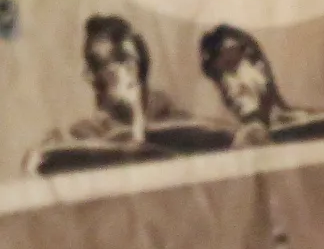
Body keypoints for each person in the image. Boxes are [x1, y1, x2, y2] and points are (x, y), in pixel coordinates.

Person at [26, 16, 232, 174]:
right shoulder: (79, 138)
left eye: (124, 60)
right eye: (103, 63)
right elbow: (36, 164)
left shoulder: (180, 125)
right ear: (89, 75)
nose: (118, 71)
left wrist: (138, 122)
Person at [197, 25, 324, 144]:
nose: (229, 88)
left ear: (260, 67)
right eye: (218, 78)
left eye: (232, 66)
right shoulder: (225, 140)